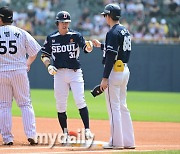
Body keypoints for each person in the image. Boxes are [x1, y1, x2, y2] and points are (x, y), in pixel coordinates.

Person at [40, 11, 93, 141]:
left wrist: (89, 47)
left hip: (75, 72)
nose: (65, 24)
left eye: (67, 22)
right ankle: (64, 133)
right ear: (57, 23)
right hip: (59, 73)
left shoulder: (75, 35)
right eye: (62, 22)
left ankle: (87, 130)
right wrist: (49, 66)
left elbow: (85, 48)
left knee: (80, 100)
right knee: (60, 104)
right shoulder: (52, 38)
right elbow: (44, 55)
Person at [92, 3, 135, 149]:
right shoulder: (124, 30)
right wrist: (101, 46)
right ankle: (129, 142)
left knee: (113, 108)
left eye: (105, 15)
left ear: (109, 16)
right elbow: (118, 50)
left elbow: (111, 56)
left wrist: (104, 78)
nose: (104, 17)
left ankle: (116, 142)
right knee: (123, 106)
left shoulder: (112, 32)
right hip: (124, 70)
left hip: (114, 72)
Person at [0, 6, 40, 145]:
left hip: (1, 72)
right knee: (25, 104)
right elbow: (34, 51)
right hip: (19, 71)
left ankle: (7, 138)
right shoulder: (21, 32)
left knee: (4, 105)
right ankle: (32, 135)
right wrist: (27, 63)